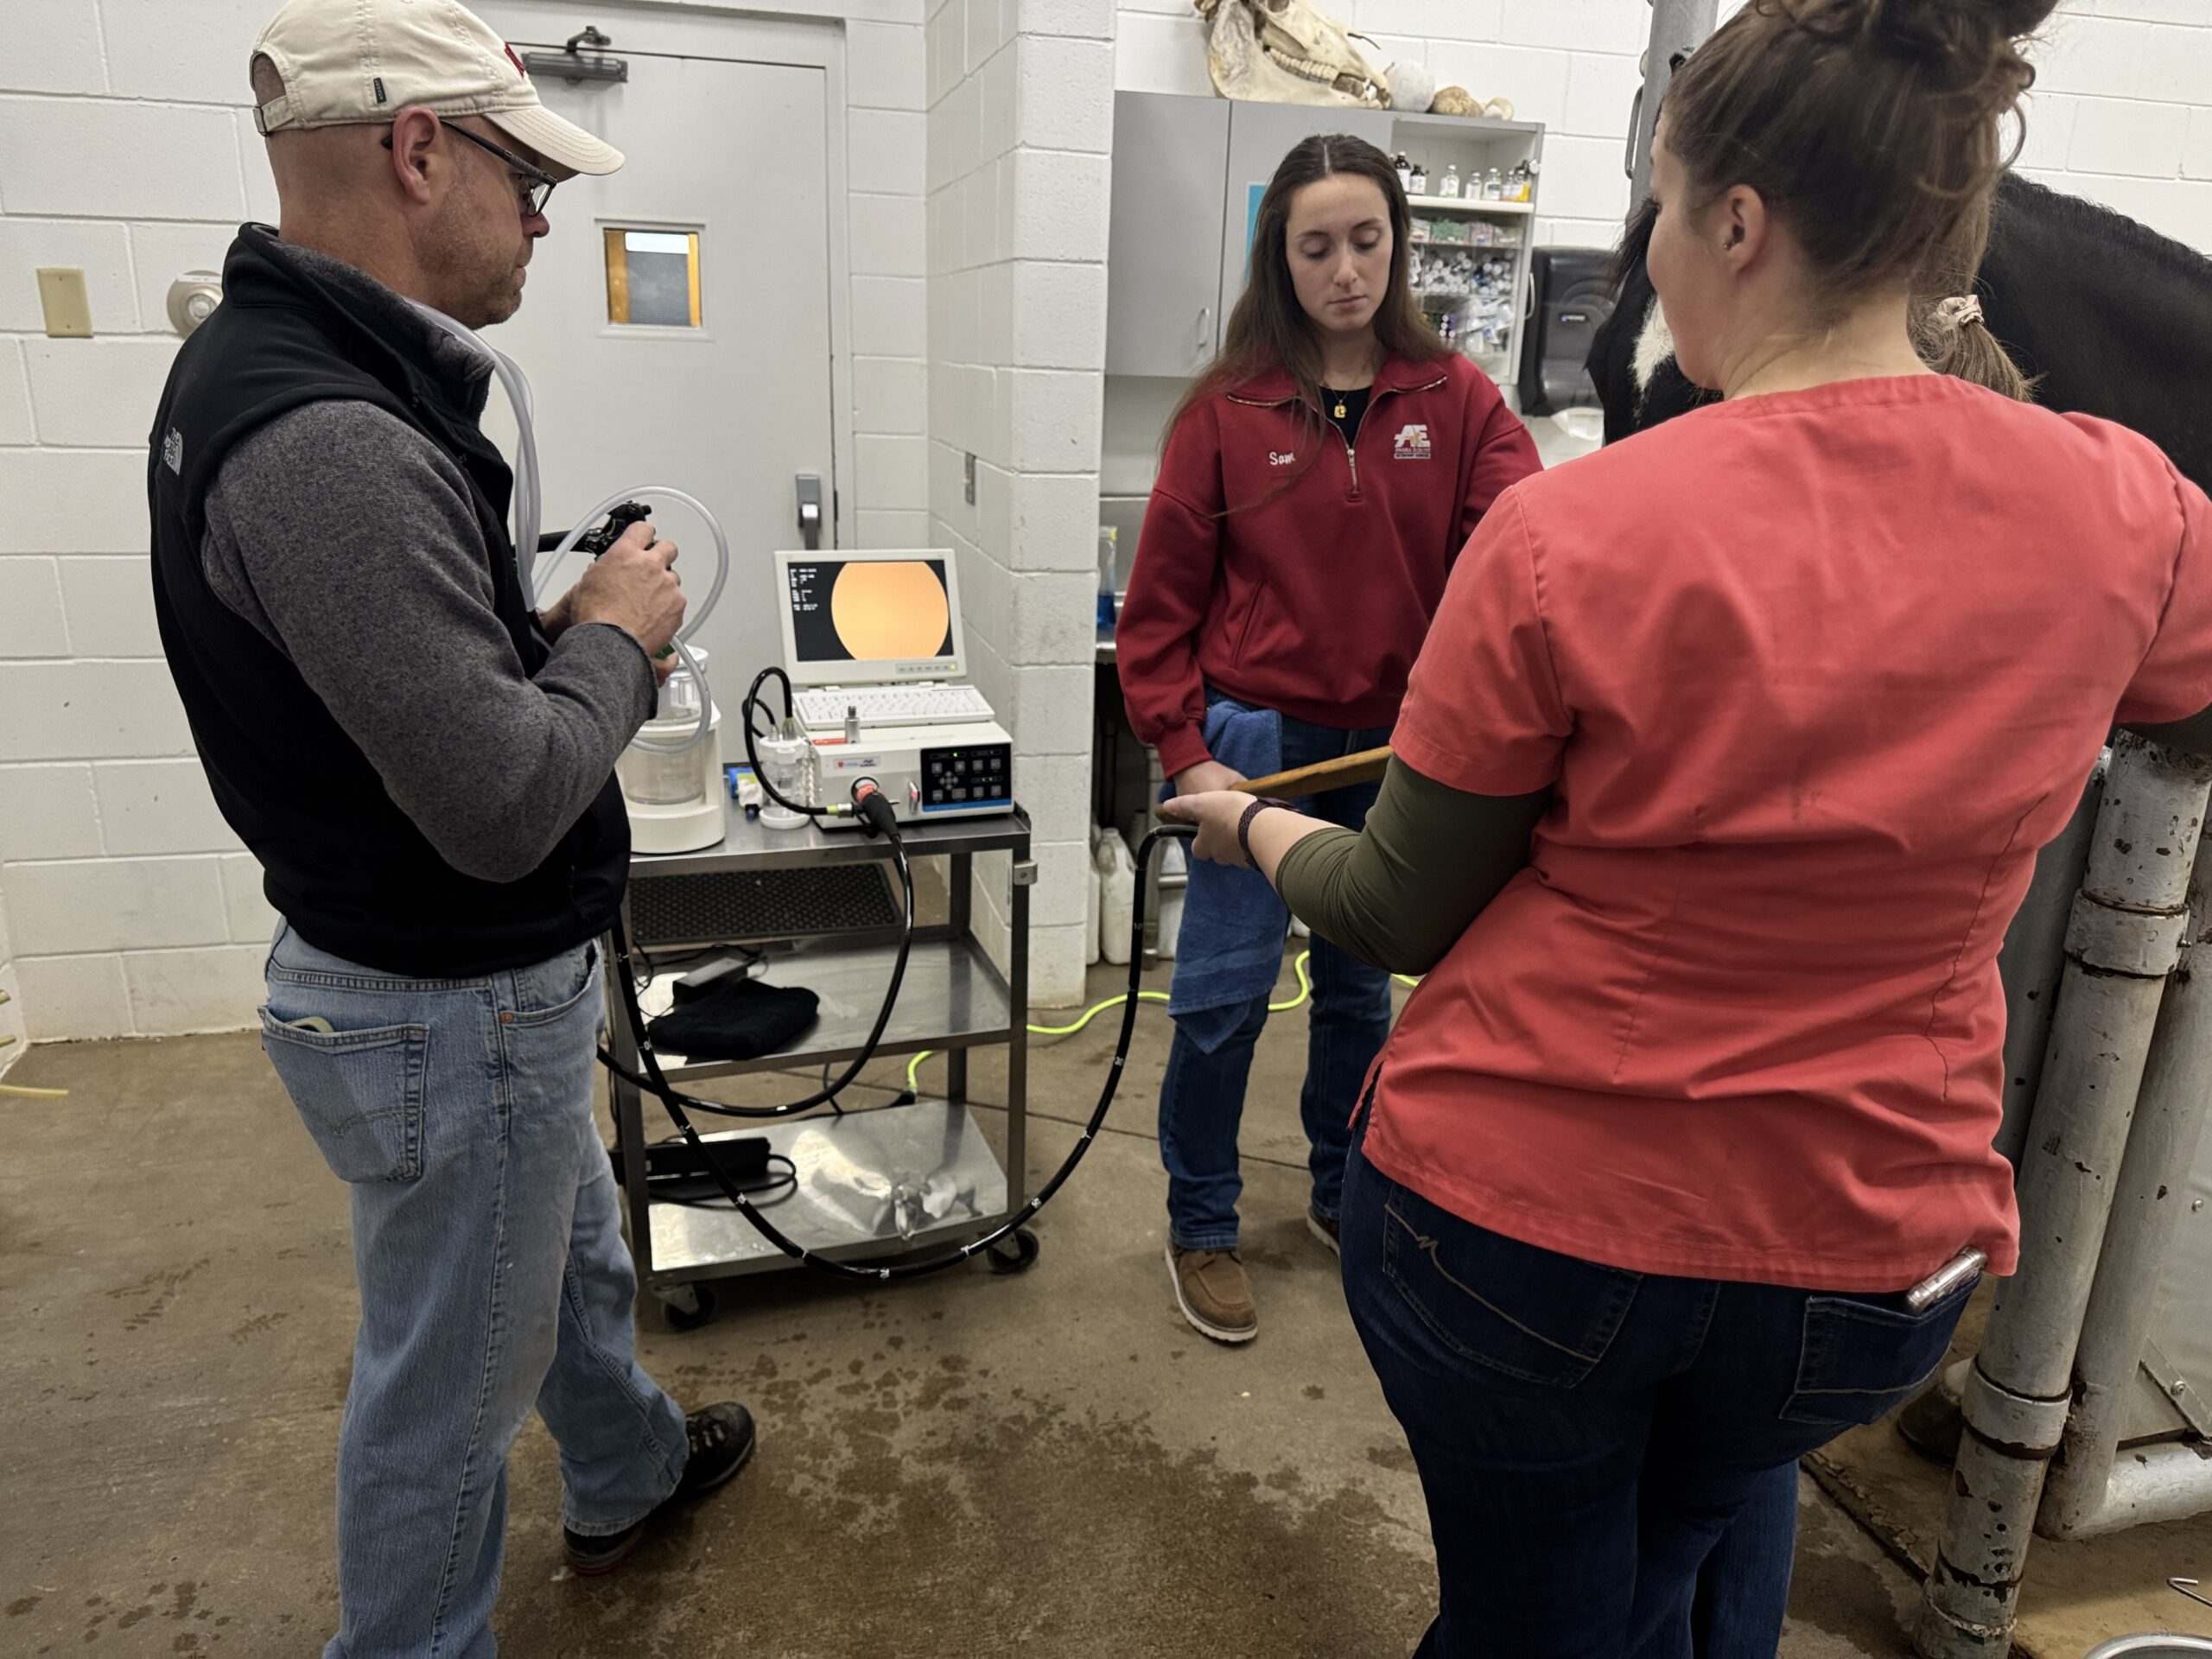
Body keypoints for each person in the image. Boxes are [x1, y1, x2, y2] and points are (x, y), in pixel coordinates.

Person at [1163, 0, 2212, 1649]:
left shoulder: (1570, 529)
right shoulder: (2132, 507)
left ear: (1735, 220)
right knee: (1702, 1530)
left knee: (1546, 1608)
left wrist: (1239, 830)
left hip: (1533, 1234)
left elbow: (1396, 909)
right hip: (1866, 1258)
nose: (1646, 259)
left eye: (1655, 207)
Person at [148, 3, 753, 1651]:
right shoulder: (331, 435)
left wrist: (537, 637)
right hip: (451, 993)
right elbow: (496, 805)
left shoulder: (295, 369)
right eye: (528, 178)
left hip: (467, 982)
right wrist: (619, 634)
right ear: (420, 149)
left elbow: (408, 691)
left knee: (564, 1269)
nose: (545, 221)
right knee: (444, 1405)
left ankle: (622, 1471)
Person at [1116, 132, 1539, 1344]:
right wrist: (1188, 755)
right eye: (1317, 246)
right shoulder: (1223, 414)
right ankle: (1201, 1222)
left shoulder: (1456, 400)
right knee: (1223, 1003)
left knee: (1360, 992)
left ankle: (1346, 1194)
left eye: (1366, 240)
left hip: (1399, 753)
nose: (1345, 269)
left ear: (1399, 245)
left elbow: (1536, 539)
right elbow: (1156, 616)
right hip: (1261, 745)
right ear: (1281, 257)